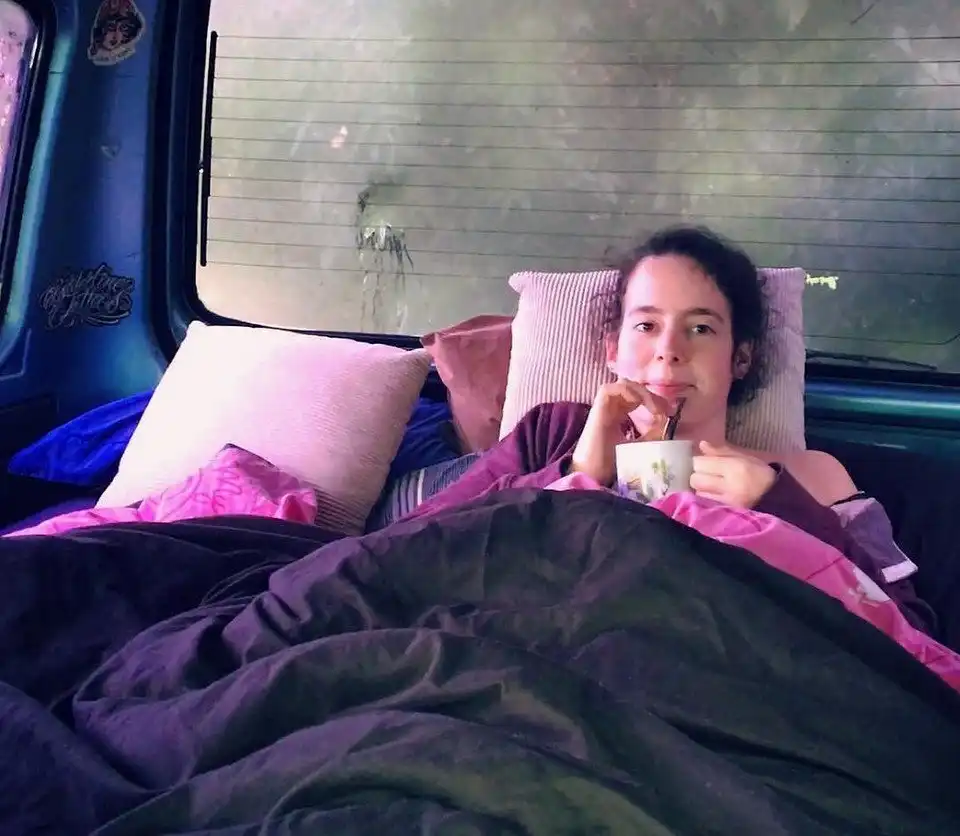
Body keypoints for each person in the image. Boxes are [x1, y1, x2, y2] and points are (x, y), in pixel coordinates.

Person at [404, 226, 935, 634]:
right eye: (646, 325)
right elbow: (410, 550)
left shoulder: (811, 477)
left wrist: (783, 508)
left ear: (741, 357)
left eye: (700, 328)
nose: (669, 350)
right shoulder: (554, 432)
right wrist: (574, 474)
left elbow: (911, 633)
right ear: (613, 351)